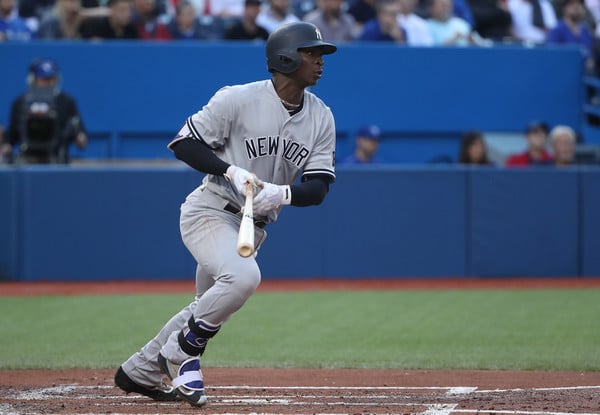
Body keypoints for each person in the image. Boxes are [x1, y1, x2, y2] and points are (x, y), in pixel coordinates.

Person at [114, 21, 337, 407]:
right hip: (210, 210)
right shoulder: (237, 99)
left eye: (320, 54)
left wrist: (281, 193)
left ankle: (140, 370)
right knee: (243, 277)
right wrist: (228, 170)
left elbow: (317, 188)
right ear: (285, 57)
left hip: (254, 225)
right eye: (311, 52)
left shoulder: (321, 117)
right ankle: (183, 351)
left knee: (208, 302)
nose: (320, 61)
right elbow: (184, 143)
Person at [1, 59, 88, 164]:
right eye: (44, 79)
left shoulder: (66, 101)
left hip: (58, 160)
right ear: (32, 79)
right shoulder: (20, 103)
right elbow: (11, 137)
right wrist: (4, 145)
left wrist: (80, 137)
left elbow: (80, 135)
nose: (49, 83)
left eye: (52, 79)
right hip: (27, 160)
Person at [546, 0, 595, 74]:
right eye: (572, 4)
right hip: (565, 74)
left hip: (587, 77)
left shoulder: (586, 30)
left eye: (580, 4)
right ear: (564, 8)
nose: (576, 7)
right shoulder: (557, 30)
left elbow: (590, 54)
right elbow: (552, 57)